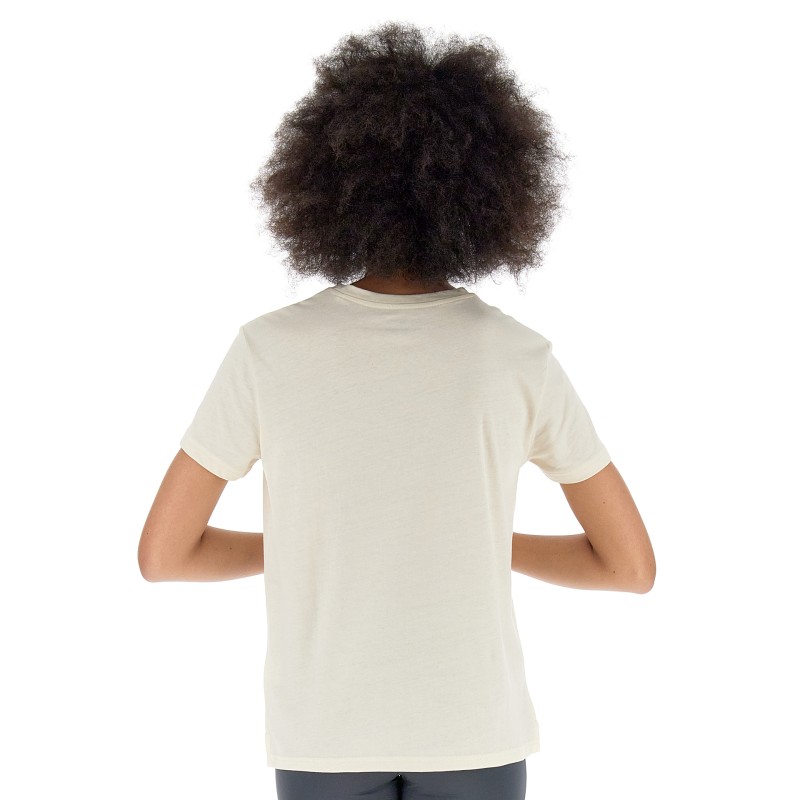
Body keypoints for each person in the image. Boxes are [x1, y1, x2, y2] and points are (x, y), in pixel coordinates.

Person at [137, 21, 655, 800]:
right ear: (495, 189)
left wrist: (323, 546)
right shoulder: (517, 357)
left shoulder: (268, 351)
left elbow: (165, 555)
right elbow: (628, 567)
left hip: (324, 736)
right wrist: (477, 543)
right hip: (475, 732)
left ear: (325, 180)